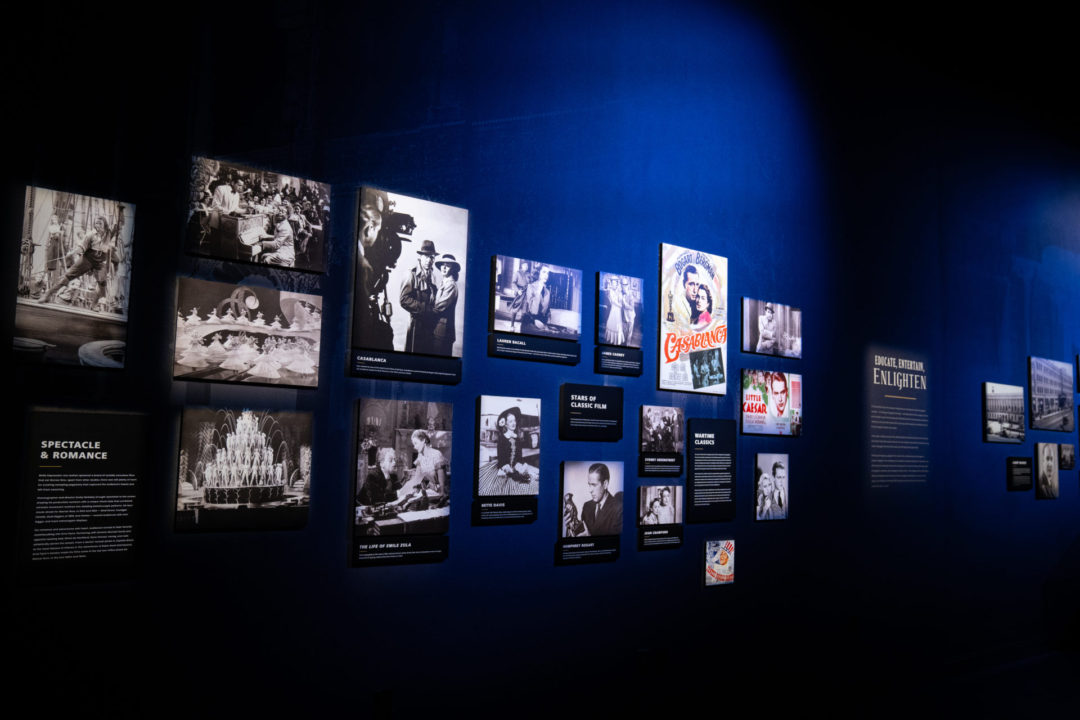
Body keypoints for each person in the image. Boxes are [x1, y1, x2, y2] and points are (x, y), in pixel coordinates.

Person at [40, 216, 115, 307]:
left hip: (100, 262)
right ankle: (48, 294)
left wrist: (121, 210)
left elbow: (118, 224)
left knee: (102, 284)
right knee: (67, 277)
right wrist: (72, 253)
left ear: (105, 224)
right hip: (88, 259)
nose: (97, 225)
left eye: (100, 223)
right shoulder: (90, 234)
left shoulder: (109, 233)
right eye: (96, 223)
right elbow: (81, 247)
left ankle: (93, 304)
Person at [399, 240, 439, 353]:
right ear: (420, 257)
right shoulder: (411, 274)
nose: (429, 260)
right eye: (426, 256)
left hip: (429, 326)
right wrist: (425, 309)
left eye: (431, 257)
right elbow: (404, 300)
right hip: (415, 325)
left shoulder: (432, 276)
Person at [496, 406, 539, 486]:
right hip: (504, 468)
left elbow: (519, 457)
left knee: (531, 479)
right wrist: (509, 469)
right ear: (505, 424)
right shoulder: (502, 438)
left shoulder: (517, 439)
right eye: (510, 421)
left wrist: (520, 466)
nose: (513, 423)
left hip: (516, 467)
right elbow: (501, 459)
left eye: (514, 420)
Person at [431, 253, 460, 356]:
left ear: (452, 269)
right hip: (440, 331)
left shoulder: (451, 285)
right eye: (443, 264)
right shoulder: (444, 283)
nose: (444, 267)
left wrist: (423, 308)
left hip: (443, 333)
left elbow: (438, 307)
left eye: (448, 265)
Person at [581, 463, 622, 536]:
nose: (590, 490)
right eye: (589, 485)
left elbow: (616, 545)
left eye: (594, 485)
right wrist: (571, 525)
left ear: (605, 484)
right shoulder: (586, 506)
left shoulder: (619, 509)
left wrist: (589, 539)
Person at [409, 429, 448, 506]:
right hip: (430, 492)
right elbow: (417, 478)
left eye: (416, 443)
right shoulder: (420, 456)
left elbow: (442, 484)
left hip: (441, 493)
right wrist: (413, 490)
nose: (414, 447)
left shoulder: (436, 454)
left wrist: (441, 494)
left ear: (423, 441)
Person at [516, 264, 552, 333]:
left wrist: (546, 325)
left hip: (541, 325)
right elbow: (533, 310)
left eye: (547, 273)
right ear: (539, 273)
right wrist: (538, 291)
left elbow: (547, 312)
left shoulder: (547, 292)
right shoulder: (531, 287)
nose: (546, 275)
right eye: (544, 272)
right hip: (530, 323)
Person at [604, 275, 635, 345]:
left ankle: (627, 346)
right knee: (619, 328)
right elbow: (614, 301)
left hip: (630, 316)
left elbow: (631, 308)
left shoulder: (630, 295)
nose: (623, 286)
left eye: (625, 285)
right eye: (622, 284)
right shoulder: (616, 291)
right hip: (620, 313)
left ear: (628, 285)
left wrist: (623, 302)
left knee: (629, 335)